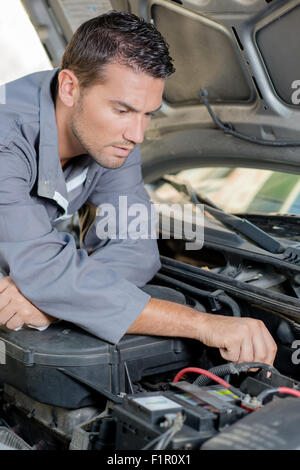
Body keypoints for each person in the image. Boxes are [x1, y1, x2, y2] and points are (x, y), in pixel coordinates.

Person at [0, 11, 277, 365]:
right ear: (70, 88)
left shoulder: (114, 139)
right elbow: (45, 272)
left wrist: (60, 299)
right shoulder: (7, 138)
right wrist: (204, 325)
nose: (138, 134)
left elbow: (135, 247)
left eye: (148, 114)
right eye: (123, 110)